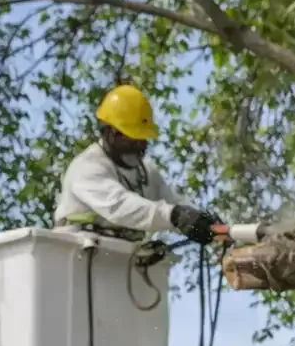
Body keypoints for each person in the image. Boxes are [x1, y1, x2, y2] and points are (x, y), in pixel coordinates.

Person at [53, 83, 222, 244]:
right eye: (132, 137)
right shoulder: (87, 167)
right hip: (74, 259)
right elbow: (119, 205)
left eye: (142, 138)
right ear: (111, 133)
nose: (138, 145)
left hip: (119, 260)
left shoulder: (147, 173)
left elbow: (174, 203)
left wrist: (202, 220)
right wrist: (173, 216)